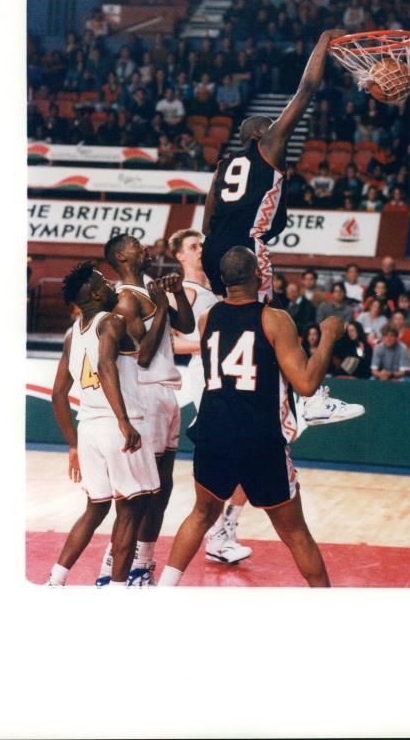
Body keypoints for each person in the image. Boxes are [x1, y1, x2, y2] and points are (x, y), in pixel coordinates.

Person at [157, 247, 349, 588]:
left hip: (213, 434)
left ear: (224, 280)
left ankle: (165, 588)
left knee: (201, 515)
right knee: (295, 532)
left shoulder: (209, 317)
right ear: (259, 276)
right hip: (259, 438)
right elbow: (305, 383)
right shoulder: (274, 319)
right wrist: (329, 338)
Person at [201, 28, 345, 301]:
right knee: (266, 320)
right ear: (258, 135)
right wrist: (323, 40)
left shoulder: (223, 165)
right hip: (244, 247)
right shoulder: (268, 146)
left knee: (230, 313)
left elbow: (207, 223)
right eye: (270, 126)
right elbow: (306, 90)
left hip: (212, 249)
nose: (276, 130)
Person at [47, 263, 161, 587]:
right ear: (96, 294)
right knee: (130, 510)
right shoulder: (112, 321)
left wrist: (72, 444)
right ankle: (116, 590)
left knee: (95, 508)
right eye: (104, 282)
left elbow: (58, 394)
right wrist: (124, 422)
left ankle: (56, 580)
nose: (111, 284)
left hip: (88, 429)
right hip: (117, 425)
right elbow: (106, 365)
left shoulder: (72, 333)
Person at [94, 235, 195, 587]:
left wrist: (176, 292)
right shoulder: (124, 299)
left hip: (167, 393)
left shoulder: (151, 291)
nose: (146, 248)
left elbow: (189, 325)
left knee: (163, 488)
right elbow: (144, 355)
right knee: (141, 494)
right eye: (137, 244)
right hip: (145, 395)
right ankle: (114, 566)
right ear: (122, 256)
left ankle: (144, 563)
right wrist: (162, 304)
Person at [167, 227, 252, 565]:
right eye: (192, 246)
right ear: (180, 255)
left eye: (202, 243)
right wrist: (211, 343)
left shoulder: (214, 290)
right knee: (227, 456)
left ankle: (224, 531)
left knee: (244, 455)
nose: (200, 249)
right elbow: (169, 342)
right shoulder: (183, 291)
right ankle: (219, 534)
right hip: (205, 378)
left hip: (225, 376)